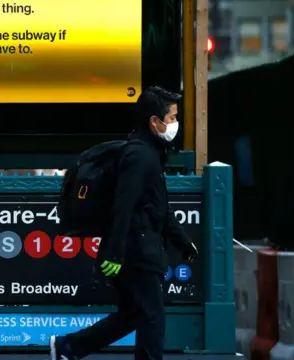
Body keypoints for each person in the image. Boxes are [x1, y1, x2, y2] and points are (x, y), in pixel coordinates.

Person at [50, 86, 199, 360]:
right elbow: (123, 206)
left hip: (137, 247)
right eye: (172, 117)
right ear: (154, 121)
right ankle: (69, 347)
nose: (175, 124)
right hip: (136, 251)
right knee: (152, 321)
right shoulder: (140, 156)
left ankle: (68, 347)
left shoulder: (150, 153)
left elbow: (159, 207)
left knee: (134, 315)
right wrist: (115, 253)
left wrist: (183, 242)